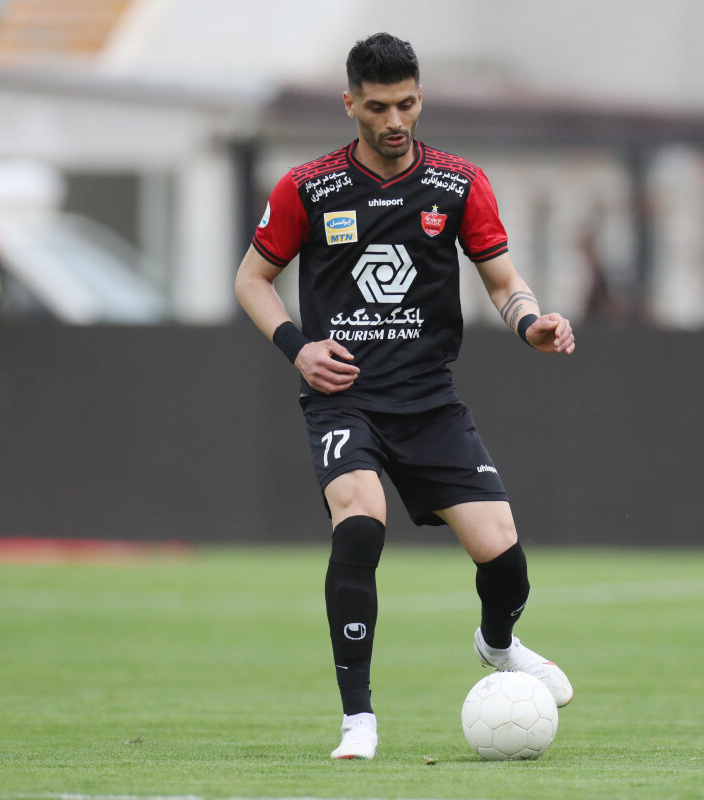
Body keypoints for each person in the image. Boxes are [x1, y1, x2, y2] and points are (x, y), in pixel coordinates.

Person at [234, 32, 575, 760]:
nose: (395, 121)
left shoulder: (458, 183)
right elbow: (251, 280)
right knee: (360, 524)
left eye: (408, 104)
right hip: (345, 398)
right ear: (350, 103)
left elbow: (503, 282)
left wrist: (532, 325)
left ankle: (497, 642)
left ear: (421, 99)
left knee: (503, 554)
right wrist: (298, 347)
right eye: (379, 107)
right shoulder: (306, 188)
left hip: (428, 402)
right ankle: (358, 719)